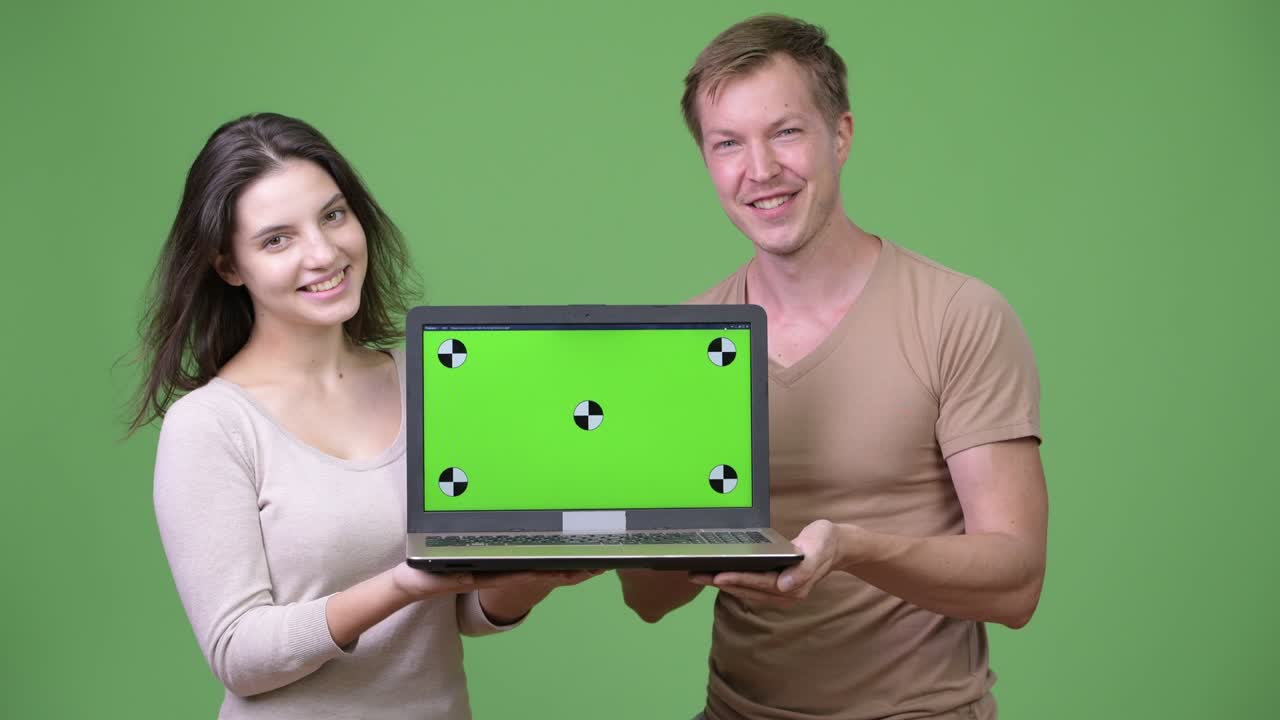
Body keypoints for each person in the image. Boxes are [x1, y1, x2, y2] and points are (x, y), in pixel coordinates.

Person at [618, 15, 1047, 720]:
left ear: (840, 135)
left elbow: (1016, 583)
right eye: (729, 144)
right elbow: (648, 599)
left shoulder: (958, 315)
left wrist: (850, 549)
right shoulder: (681, 344)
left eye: (785, 132)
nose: (760, 170)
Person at [131, 112, 593, 719]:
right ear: (228, 266)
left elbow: (463, 615)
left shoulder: (434, 380)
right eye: (278, 239)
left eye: (333, 215)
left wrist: (534, 576)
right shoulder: (211, 425)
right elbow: (238, 655)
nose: (324, 253)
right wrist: (403, 582)